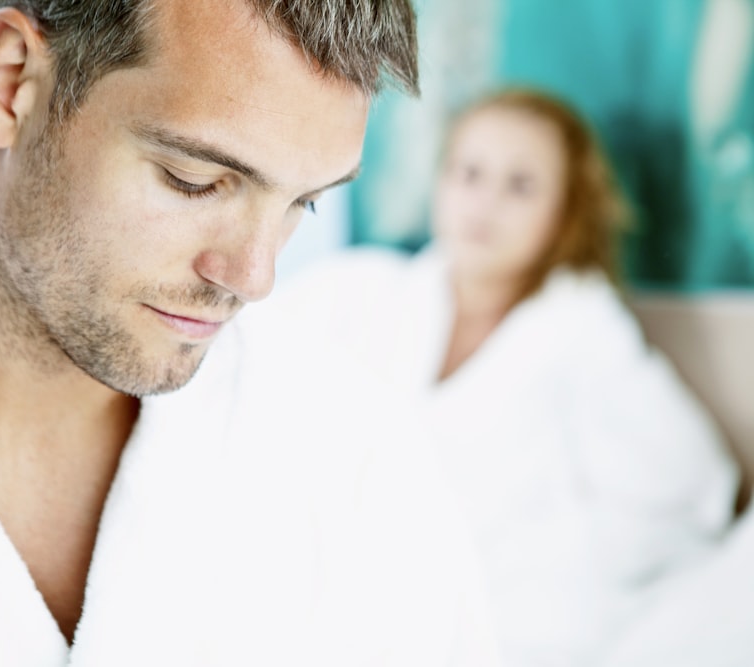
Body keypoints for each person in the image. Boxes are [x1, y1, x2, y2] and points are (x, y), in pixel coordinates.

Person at [0, 1, 501, 665]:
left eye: (301, 202)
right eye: (193, 180)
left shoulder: (354, 468)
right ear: (11, 82)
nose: (252, 275)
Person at [262, 88, 741, 666]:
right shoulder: (358, 291)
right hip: (343, 586)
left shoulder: (582, 329)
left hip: (507, 611)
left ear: (564, 212)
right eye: (469, 173)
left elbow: (695, 486)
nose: (484, 203)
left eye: (521, 186)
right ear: (440, 182)